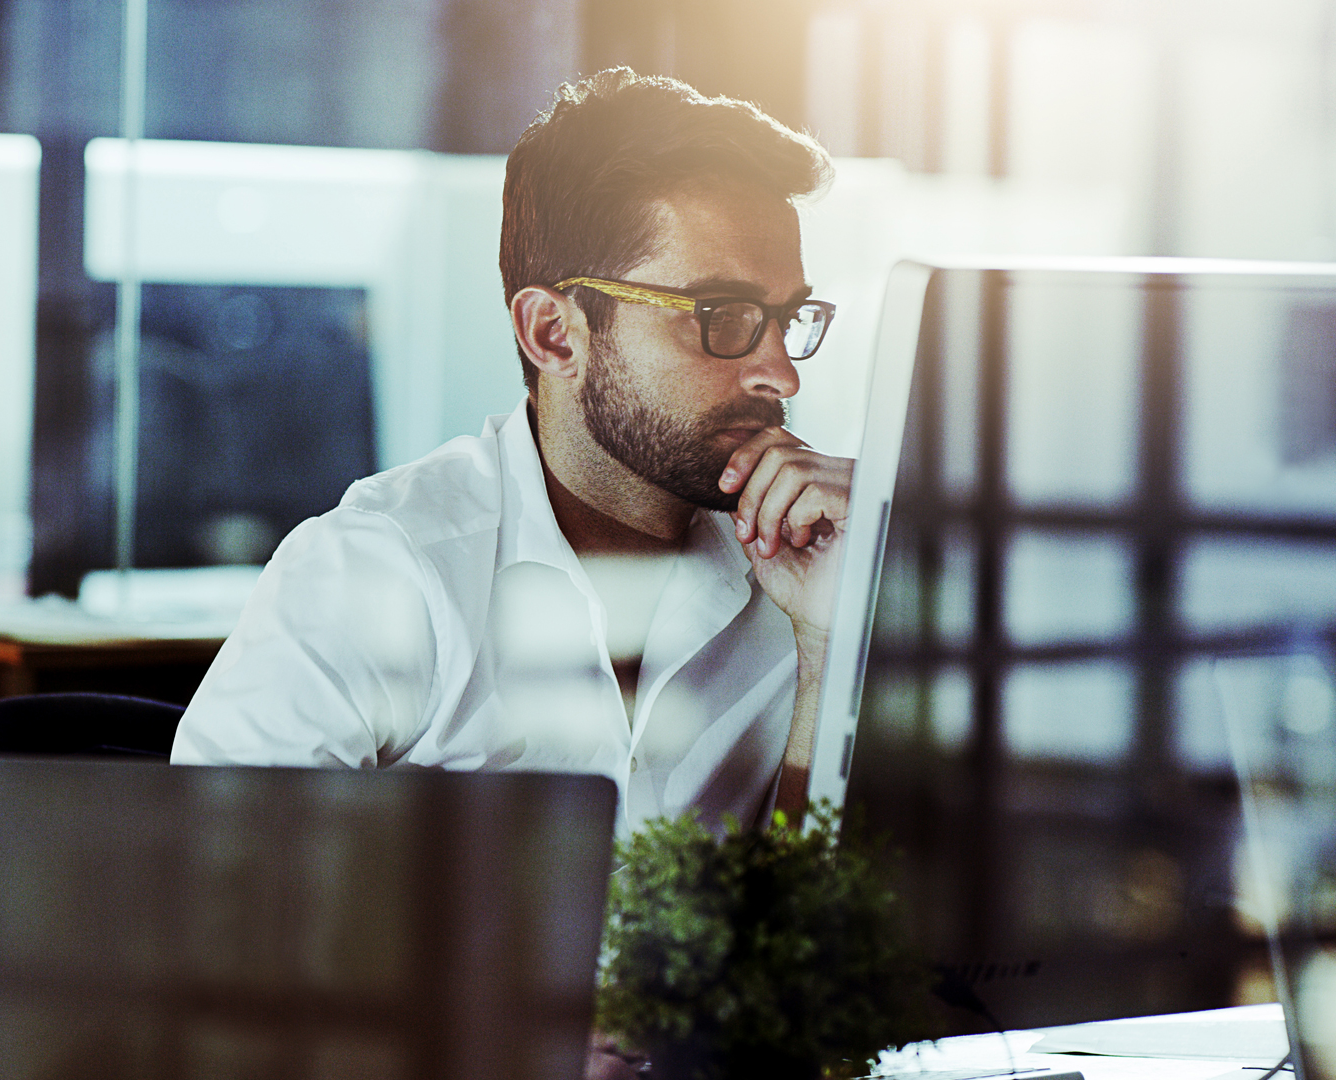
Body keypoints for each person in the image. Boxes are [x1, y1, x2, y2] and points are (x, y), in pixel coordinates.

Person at [171, 67, 852, 838]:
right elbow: (217, 902)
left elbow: (815, 936)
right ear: (554, 334)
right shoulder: (378, 571)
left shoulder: (806, 578)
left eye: (789, 317)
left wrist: (833, 650)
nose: (782, 372)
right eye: (722, 315)